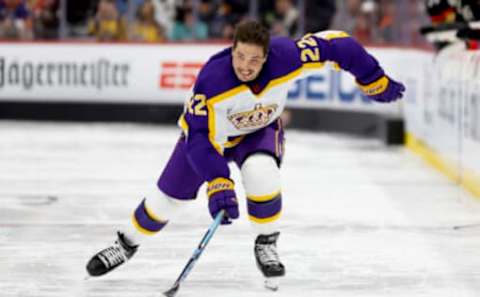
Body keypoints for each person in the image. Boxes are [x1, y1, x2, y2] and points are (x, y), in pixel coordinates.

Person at [86, 20, 405, 284]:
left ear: (267, 56)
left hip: (258, 131)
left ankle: (266, 243)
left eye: (254, 60)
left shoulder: (288, 57)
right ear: (232, 50)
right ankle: (126, 243)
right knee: (164, 203)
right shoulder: (211, 82)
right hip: (208, 141)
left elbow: (340, 45)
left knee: (261, 173)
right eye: (240, 57)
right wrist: (218, 180)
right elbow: (198, 139)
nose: (246, 66)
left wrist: (372, 77)